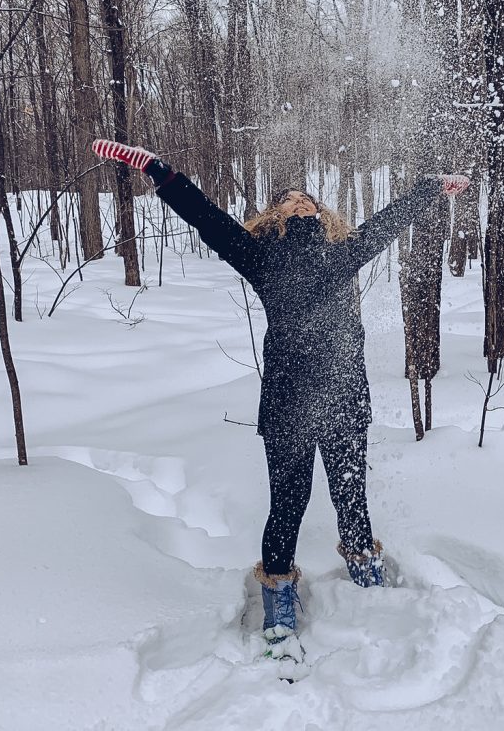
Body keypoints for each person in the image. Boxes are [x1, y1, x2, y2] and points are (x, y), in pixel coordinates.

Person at [92, 139, 469, 647]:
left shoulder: (343, 251)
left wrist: (428, 190)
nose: (301, 202)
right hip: (289, 402)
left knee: (350, 496)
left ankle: (366, 576)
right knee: (288, 504)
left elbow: (387, 221)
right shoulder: (258, 255)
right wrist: (159, 171)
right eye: (290, 200)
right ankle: (278, 596)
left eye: (308, 199)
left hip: (343, 398)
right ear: (273, 215)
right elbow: (205, 216)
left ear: (323, 212)